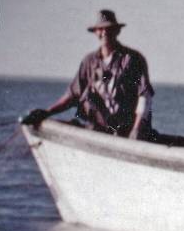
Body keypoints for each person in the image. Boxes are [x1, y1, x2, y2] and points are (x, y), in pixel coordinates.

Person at [21, 9, 156, 140]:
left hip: (128, 130)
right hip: (100, 130)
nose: (104, 32)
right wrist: (46, 112)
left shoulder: (132, 59)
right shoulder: (89, 62)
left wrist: (136, 129)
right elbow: (73, 95)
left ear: (117, 31)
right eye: (100, 29)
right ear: (95, 32)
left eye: (109, 29)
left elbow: (144, 96)